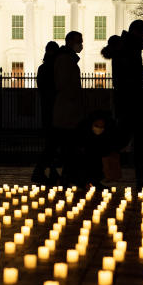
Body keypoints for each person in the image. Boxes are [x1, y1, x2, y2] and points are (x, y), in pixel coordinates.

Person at [106, 19, 143, 188]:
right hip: (131, 103)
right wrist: (140, 97)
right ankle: (97, 170)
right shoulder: (128, 49)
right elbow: (131, 80)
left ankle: (141, 178)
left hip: (131, 102)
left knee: (134, 141)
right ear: (137, 32)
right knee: (123, 141)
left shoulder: (128, 47)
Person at [52, 31, 86, 183]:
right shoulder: (66, 59)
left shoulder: (68, 59)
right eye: (79, 41)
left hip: (69, 109)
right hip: (67, 110)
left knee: (68, 145)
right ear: (71, 42)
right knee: (68, 145)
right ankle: (68, 175)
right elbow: (64, 84)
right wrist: (74, 99)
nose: (82, 45)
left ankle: (68, 174)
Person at [31, 41, 60, 184]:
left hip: (48, 110)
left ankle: (51, 171)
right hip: (53, 110)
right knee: (52, 144)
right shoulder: (53, 68)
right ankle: (40, 171)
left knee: (52, 144)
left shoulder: (43, 68)